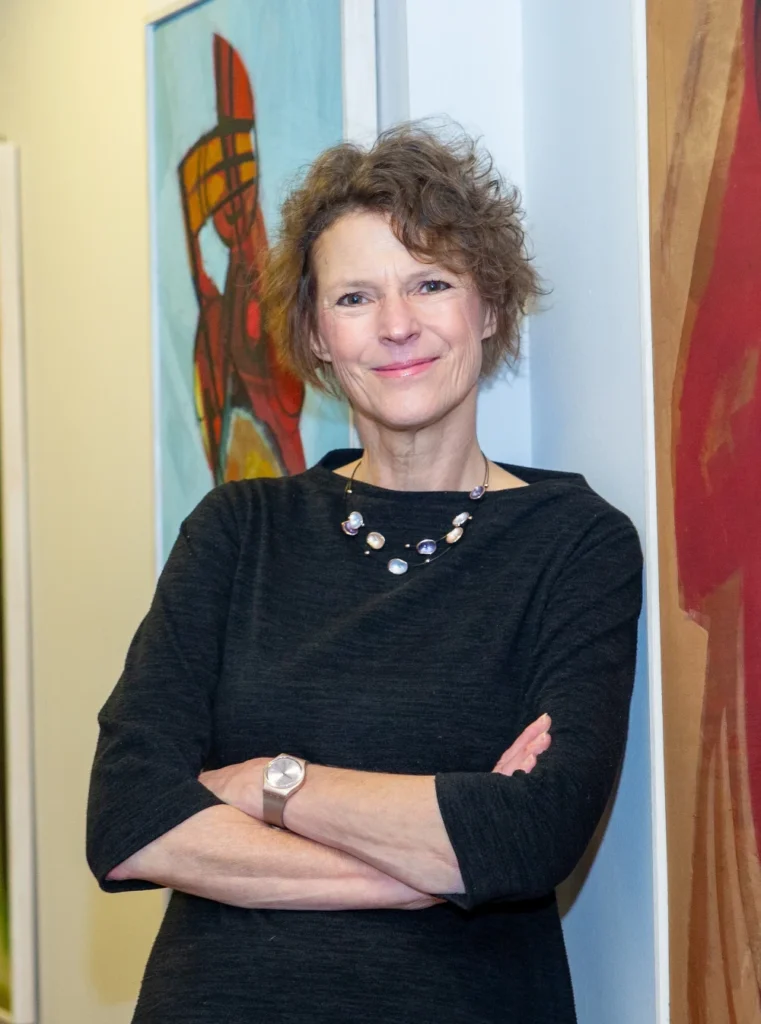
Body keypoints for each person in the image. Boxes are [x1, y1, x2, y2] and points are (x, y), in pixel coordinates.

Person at [87, 124, 643, 1024]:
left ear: (489, 307)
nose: (395, 326)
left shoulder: (574, 545)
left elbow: (529, 834)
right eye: (354, 296)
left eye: (430, 284)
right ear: (313, 333)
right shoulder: (237, 533)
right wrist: (426, 871)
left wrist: (270, 781)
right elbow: (127, 819)